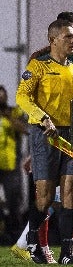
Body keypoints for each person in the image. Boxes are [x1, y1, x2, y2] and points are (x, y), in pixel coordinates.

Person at [16, 19, 73, 264]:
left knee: (70, 191)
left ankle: (67, 253)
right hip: (46, 134)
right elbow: (22, 97)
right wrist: (43, 118)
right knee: (45, 196)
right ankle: (34, 242)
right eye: (68, 37)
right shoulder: (37, 66)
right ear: (52, 40)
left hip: (72, 137)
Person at [0, 85, 27, 242]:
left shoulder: (13, 112)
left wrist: (8, 117)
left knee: (13, 201)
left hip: (10, 165)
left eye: (2, 96)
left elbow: (25, 129)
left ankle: (15, 236)